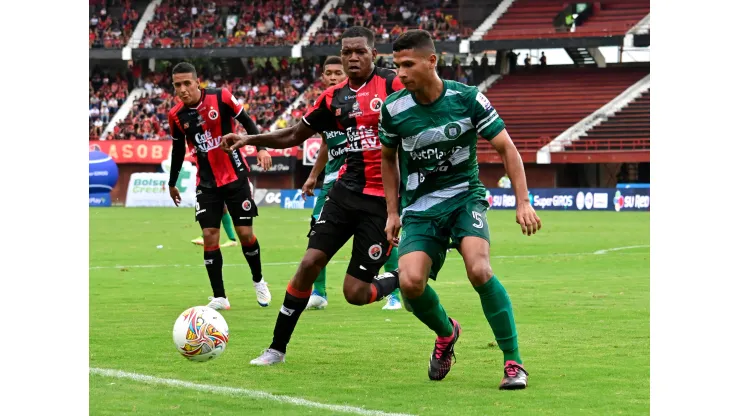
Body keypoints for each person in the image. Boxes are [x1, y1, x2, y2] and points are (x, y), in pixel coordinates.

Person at [220, 26, 405, 365]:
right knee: (308, 264)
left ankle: (401, 278)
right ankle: (276, 348)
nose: (352, 57)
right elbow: (293, 134)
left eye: (359, 51)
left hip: (382, 202)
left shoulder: (394, 85)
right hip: (345, 193)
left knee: (355, 293)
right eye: (346, 51)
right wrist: (250, 140)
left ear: (372, 53)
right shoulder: (333, 97)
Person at [379, 30, 542, 390]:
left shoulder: (468, 99)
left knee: (479, 270)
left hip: (464, 196)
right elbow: (387, 160)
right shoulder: (393, 110)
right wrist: (392, 212)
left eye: (408, 64)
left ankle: (513, 363)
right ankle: (446, 332)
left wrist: (523, 201)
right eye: (396, 66)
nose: (401, 73)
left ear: (431, 61)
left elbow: (507, 148)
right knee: (409, 284)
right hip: (420, 208)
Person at [167, 62, 274, 310]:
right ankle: (220, 297)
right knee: (209, 236)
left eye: (186, 83)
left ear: (197, 82)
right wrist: (172, 182)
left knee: (245, 234)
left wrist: (261, 147)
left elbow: (247, 121)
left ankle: (259, 281)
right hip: (206, 182)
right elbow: (178, 149)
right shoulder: (176, 115)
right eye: (177, 85)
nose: (182, 89)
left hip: (235, 175)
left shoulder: (221, 96)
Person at [301, 55, 403, 311]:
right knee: (316, 235)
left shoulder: (358, 101)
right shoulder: (328, 103)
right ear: (323, 75)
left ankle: (395, 291)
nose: (333, 77)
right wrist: (313, 176)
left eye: (337, 72)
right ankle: (320, 292)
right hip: (332, 184)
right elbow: (325, 143)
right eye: (329, 72)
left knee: (384, 237)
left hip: (362, 183)